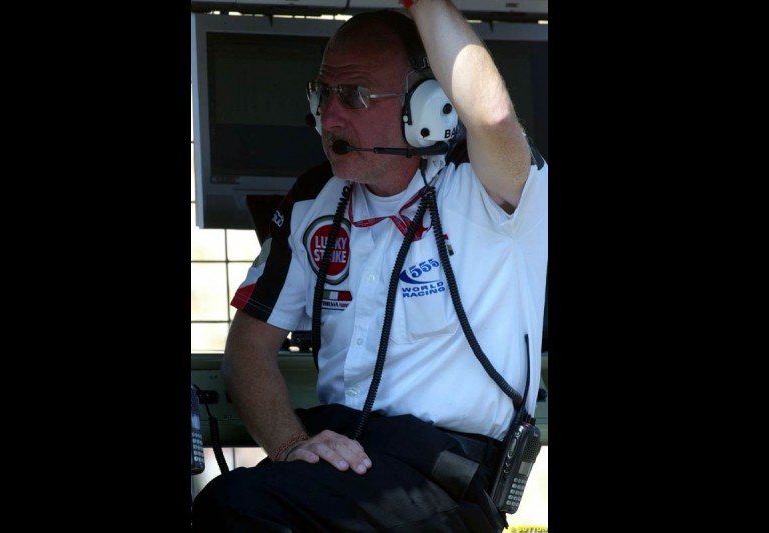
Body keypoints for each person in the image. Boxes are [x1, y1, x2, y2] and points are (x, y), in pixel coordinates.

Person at [192, 1, 547, 531]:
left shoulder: (492, 190)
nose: (329, 117)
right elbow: (248, 348)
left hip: (443, 476)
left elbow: (492, 118)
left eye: (355, 95)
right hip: (334, 463)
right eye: (323, 94)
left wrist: (423, 3)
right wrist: (291, 444)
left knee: (237, 508)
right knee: (230, 503)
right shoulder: (315, 200)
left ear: (427, 107)